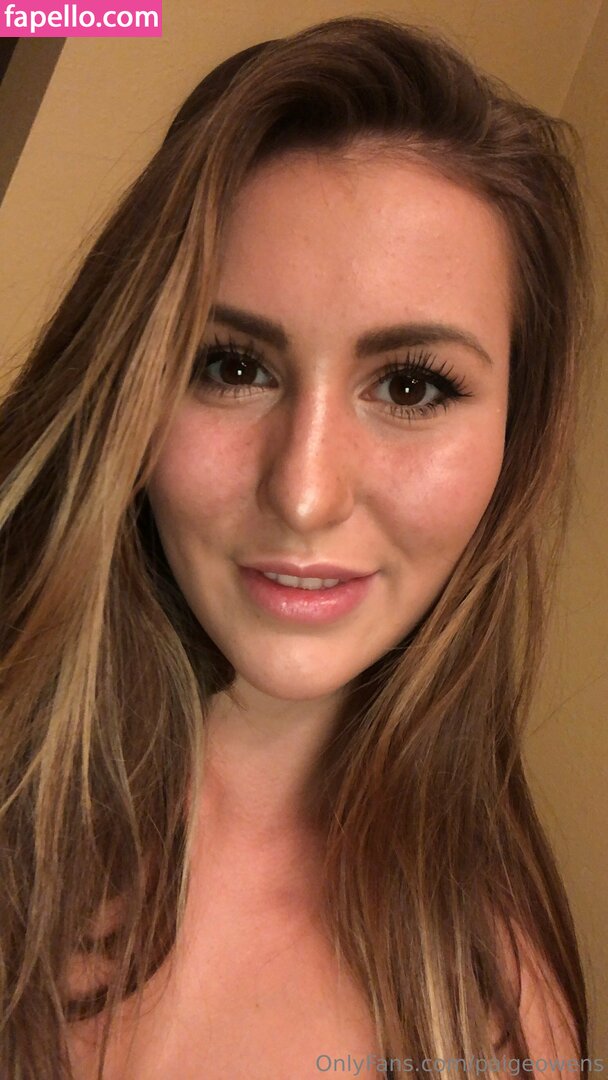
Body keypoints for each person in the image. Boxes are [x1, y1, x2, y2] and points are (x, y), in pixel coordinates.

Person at [0, 15, 595, 1080]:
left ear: (516, 436)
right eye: (232, 366)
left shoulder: (497, 1022)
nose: (305, 492)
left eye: (411, 385)